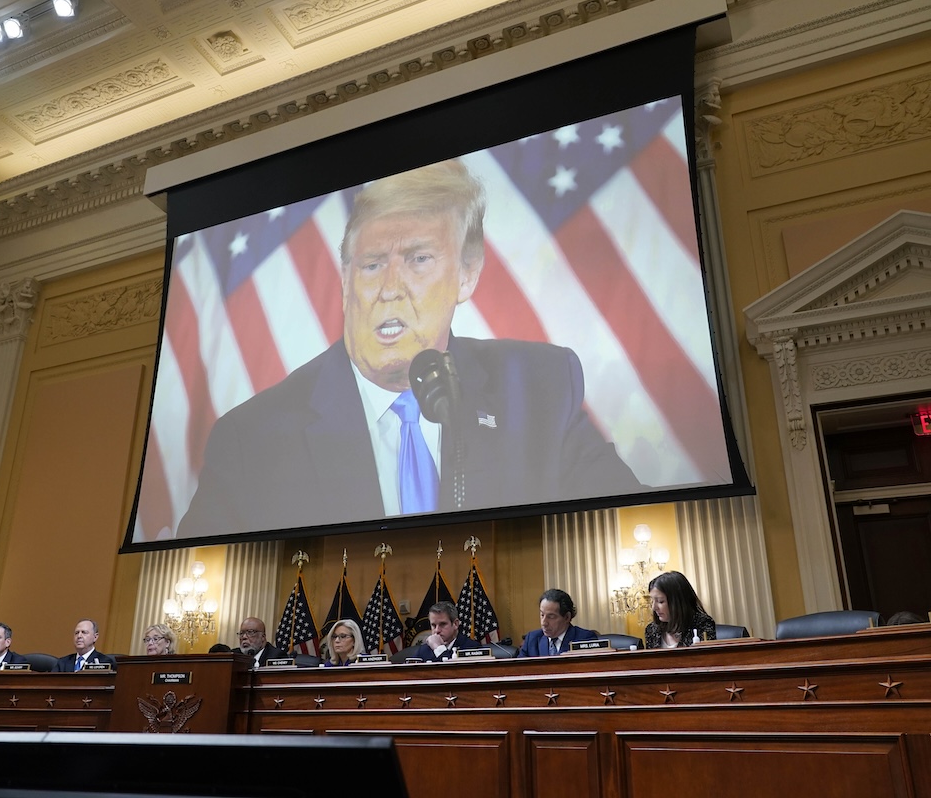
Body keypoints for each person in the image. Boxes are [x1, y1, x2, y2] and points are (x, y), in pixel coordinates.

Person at [178, 159, 640, 536]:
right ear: (345, 280)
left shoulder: (539, 386)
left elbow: (623, 519)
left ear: (467, 273)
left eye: (418, 259)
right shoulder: (252, 439)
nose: (390, 289)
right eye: (374, 264)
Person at [644, 571, 717, 649]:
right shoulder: (651, 630)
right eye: (652, 601)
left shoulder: (703, 624)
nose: (654, 607)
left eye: (660, 601)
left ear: (677, 602)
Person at [518, 589, 597, 657]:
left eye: (551, 617)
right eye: (542, 615)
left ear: (567, 617)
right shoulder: (532, 640)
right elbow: (518, 671)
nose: (544, 623)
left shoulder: (585, 639)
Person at [405, 601, 482, 662]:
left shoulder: (472, 648)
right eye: (433, 625)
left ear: (455, 624)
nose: (437, 630)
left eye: (442, 624)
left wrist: (438, 648)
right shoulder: (423, 650)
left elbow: (455, 674)